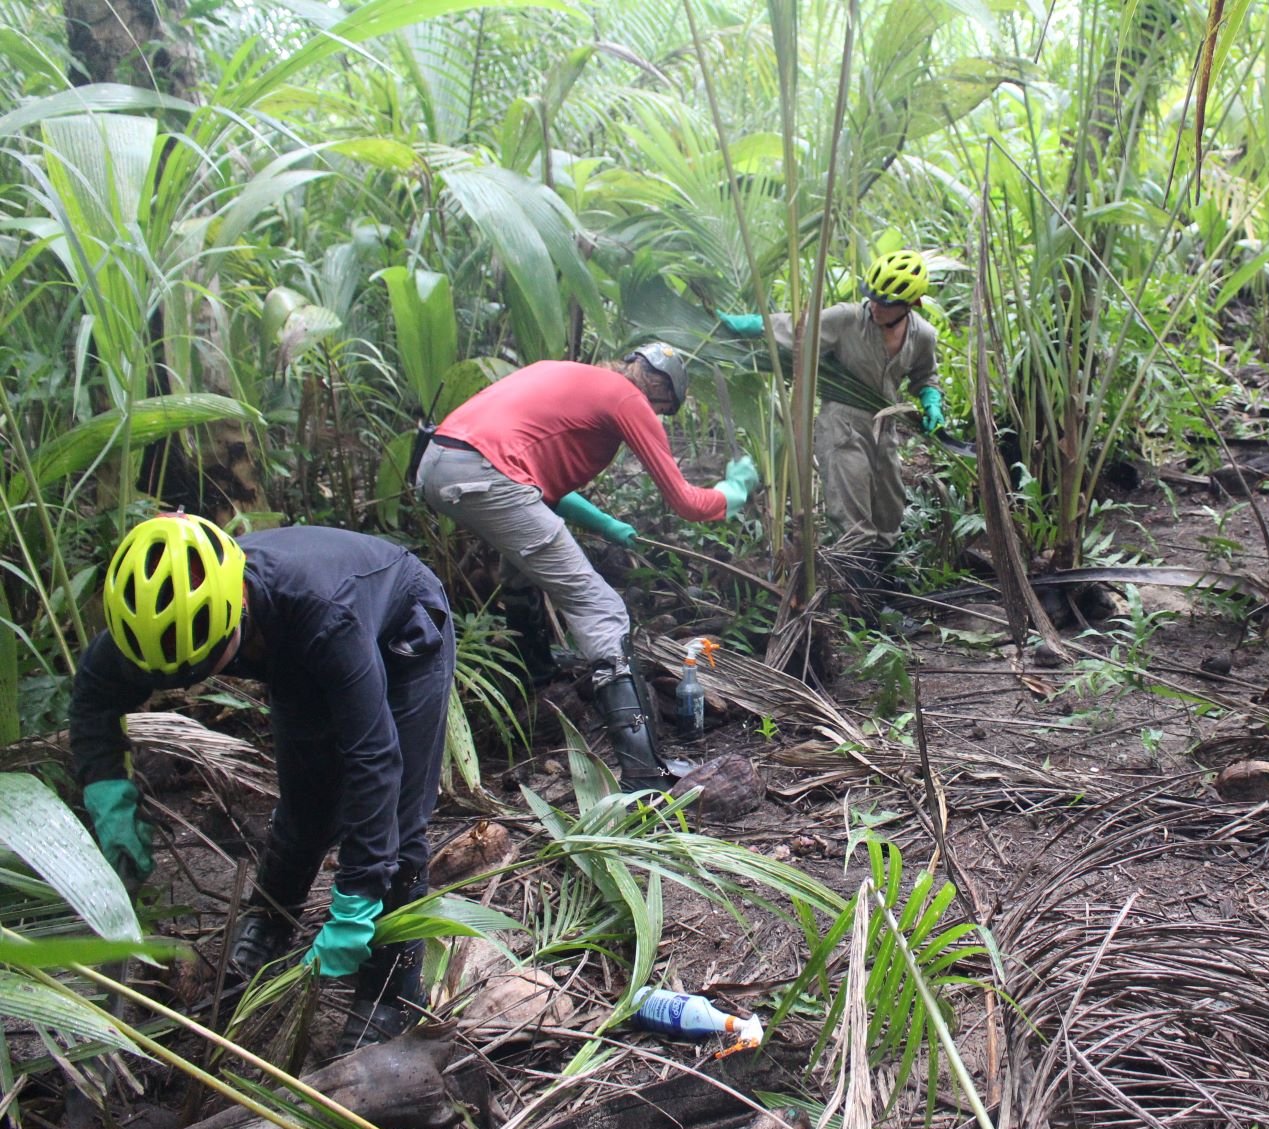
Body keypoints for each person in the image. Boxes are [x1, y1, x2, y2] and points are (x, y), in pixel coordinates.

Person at [70, 513, 455, 1048]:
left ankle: (391, 990)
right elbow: (93, 700)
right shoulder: (154, 622)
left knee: (400, 820)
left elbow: (374, 756)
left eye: (202, 666)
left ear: (237, 609)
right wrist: (108, 795)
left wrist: (358, 893)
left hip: (401, 629)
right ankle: (273, 921)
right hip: (290, 651)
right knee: (305, 804)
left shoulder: (325, 614)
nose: (188, 683)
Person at [415, 343, 759, 789]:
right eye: (662, 409)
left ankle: (537, 677)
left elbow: (531, 469)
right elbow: (687, 503)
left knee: (523, 567)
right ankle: (644, 774)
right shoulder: (626, 398)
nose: (656, 417)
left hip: (438, 462)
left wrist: (605, 523)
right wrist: (734, 492)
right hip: (485, 474)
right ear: (658, 392)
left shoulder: (561, 372)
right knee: (602, 610)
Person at [717, 249, 943, 590]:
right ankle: (860, 600)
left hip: (885, 428)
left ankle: (885, 591)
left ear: (910, 304)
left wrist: (932, 402)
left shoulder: (922, 334)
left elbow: (926, 376)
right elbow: (796, 329)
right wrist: (750, 324)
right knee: (851, 516)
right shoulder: (846, 319)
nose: (877, 307)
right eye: (873, 298)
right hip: (842, 423)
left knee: (889, 513)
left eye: (887, 302)